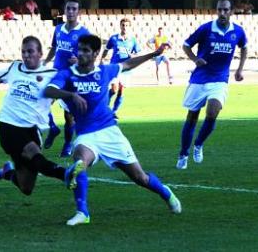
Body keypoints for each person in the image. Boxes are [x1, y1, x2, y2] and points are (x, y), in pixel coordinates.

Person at [44, 34, 181, 226]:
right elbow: (48, 91)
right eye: (79, 49)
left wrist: (154, 54)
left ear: (95, 54)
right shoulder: (67, 74)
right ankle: (82, 212)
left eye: (85, 50)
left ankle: (166, 193)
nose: (80, 53)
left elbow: (128, 64)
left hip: (110, 132)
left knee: (139, 177)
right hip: (86, 135)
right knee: (80, 160)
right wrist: (70, 95)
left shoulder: (105, 71)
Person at [0, 37, 66, 195]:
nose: (26, 55)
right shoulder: (15, 67)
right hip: (9, 126)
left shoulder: (52, 75)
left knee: (26, 187)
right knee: (34, 154)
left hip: (33, 129)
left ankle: (8, 173)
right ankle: (66, 174)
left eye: (30, 51)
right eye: (23, 52)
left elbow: (64, 91)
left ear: (40, 54)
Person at [176, 0, 247, 170]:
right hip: (199, 79)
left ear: (231, 11)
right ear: (216, 11)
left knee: (213, 111)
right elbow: (186, 45)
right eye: (220, 10)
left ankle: (199, 144)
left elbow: (244, 47)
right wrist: (195, 59)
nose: (222, 13)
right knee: (192, 116)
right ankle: (184, 153)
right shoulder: (206, 28)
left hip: (220, 80)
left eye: (226, 10)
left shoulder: (238, 31)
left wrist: (239, 70)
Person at [42, 0, 90, 157]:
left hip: (71, 76)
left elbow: (91, 56)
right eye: (68, 8)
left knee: (69, 116)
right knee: (42, 98)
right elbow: (54, 48)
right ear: (64, 10)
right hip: (56, 73)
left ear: (79, 12)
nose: (70, 12)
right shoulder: (58, 29)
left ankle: (68, 143)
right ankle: (53, 128)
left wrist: (79, 60)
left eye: (74, 9)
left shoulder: (84, 33)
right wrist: (44, 62)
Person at [99, 18, 141, 115]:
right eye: (123, 25)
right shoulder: (114, 38)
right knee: (114, 89)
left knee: (121, 92)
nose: (124, 27)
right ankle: (105, 109)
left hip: (126, 69)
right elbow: (106, 49)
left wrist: (133, 56)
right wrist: (101, 59)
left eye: (126, 25)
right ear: (120, 26)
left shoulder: (132, 40)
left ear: (129, 27)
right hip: (114, 67)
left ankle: (114, 112)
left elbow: (138, 53)